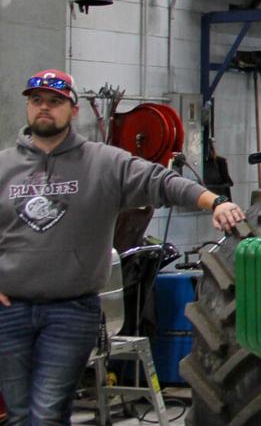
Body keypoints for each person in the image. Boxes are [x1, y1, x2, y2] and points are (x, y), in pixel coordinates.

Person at [0, 69, 247, 425]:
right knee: (18, 415)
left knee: (47, 414)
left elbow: (160, 181)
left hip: (70, 312)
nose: (44, 107)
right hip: (10, 311)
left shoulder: (103, 162)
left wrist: (215, 202)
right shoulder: (6, 165)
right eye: (37, 100)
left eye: (55, 101)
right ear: (28, 106)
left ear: (73, 110)